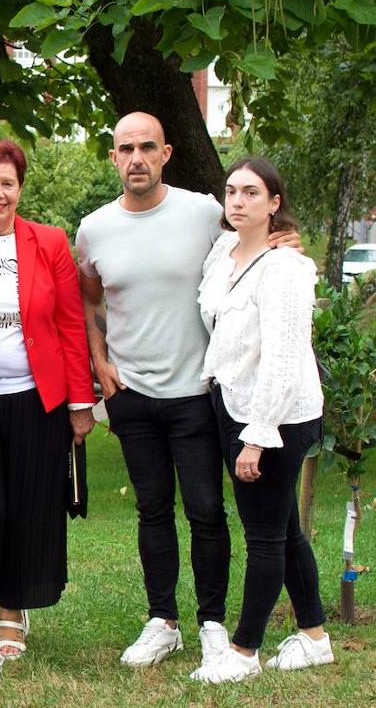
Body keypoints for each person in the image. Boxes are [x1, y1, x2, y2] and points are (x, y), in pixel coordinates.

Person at [76, 112, 297, 670]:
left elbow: (252, 246)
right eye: (125, 149)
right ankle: (162, 622)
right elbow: (90, 300)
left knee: (205, 512)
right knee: (152, 511)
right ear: (113, 157)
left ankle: (212, 625)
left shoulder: (203, 212)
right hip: (131, 394)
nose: (136, 159)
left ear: (166, 153)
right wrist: (100, 362)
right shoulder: (94, 228)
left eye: (147, 147)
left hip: (198, 392)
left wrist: (283, 239)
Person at [0, 139, 96, 660]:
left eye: (6, 183)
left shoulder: (49, 243)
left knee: (31, 508)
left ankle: (13, 611)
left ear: (20, 189)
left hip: (38, 400)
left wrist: (81, 402)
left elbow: (70, 324)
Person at [190, 157, 331, 683]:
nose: (238, 201)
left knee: (265, 536)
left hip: (276, 416)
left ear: (274, 204)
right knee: (285, 528)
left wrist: (258, 437)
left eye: (252, 192)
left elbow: (283, 358)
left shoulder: (286, 269)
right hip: (231, 403)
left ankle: (244, 652)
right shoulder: (224, 253)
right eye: (231, 191)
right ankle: (315, 636)